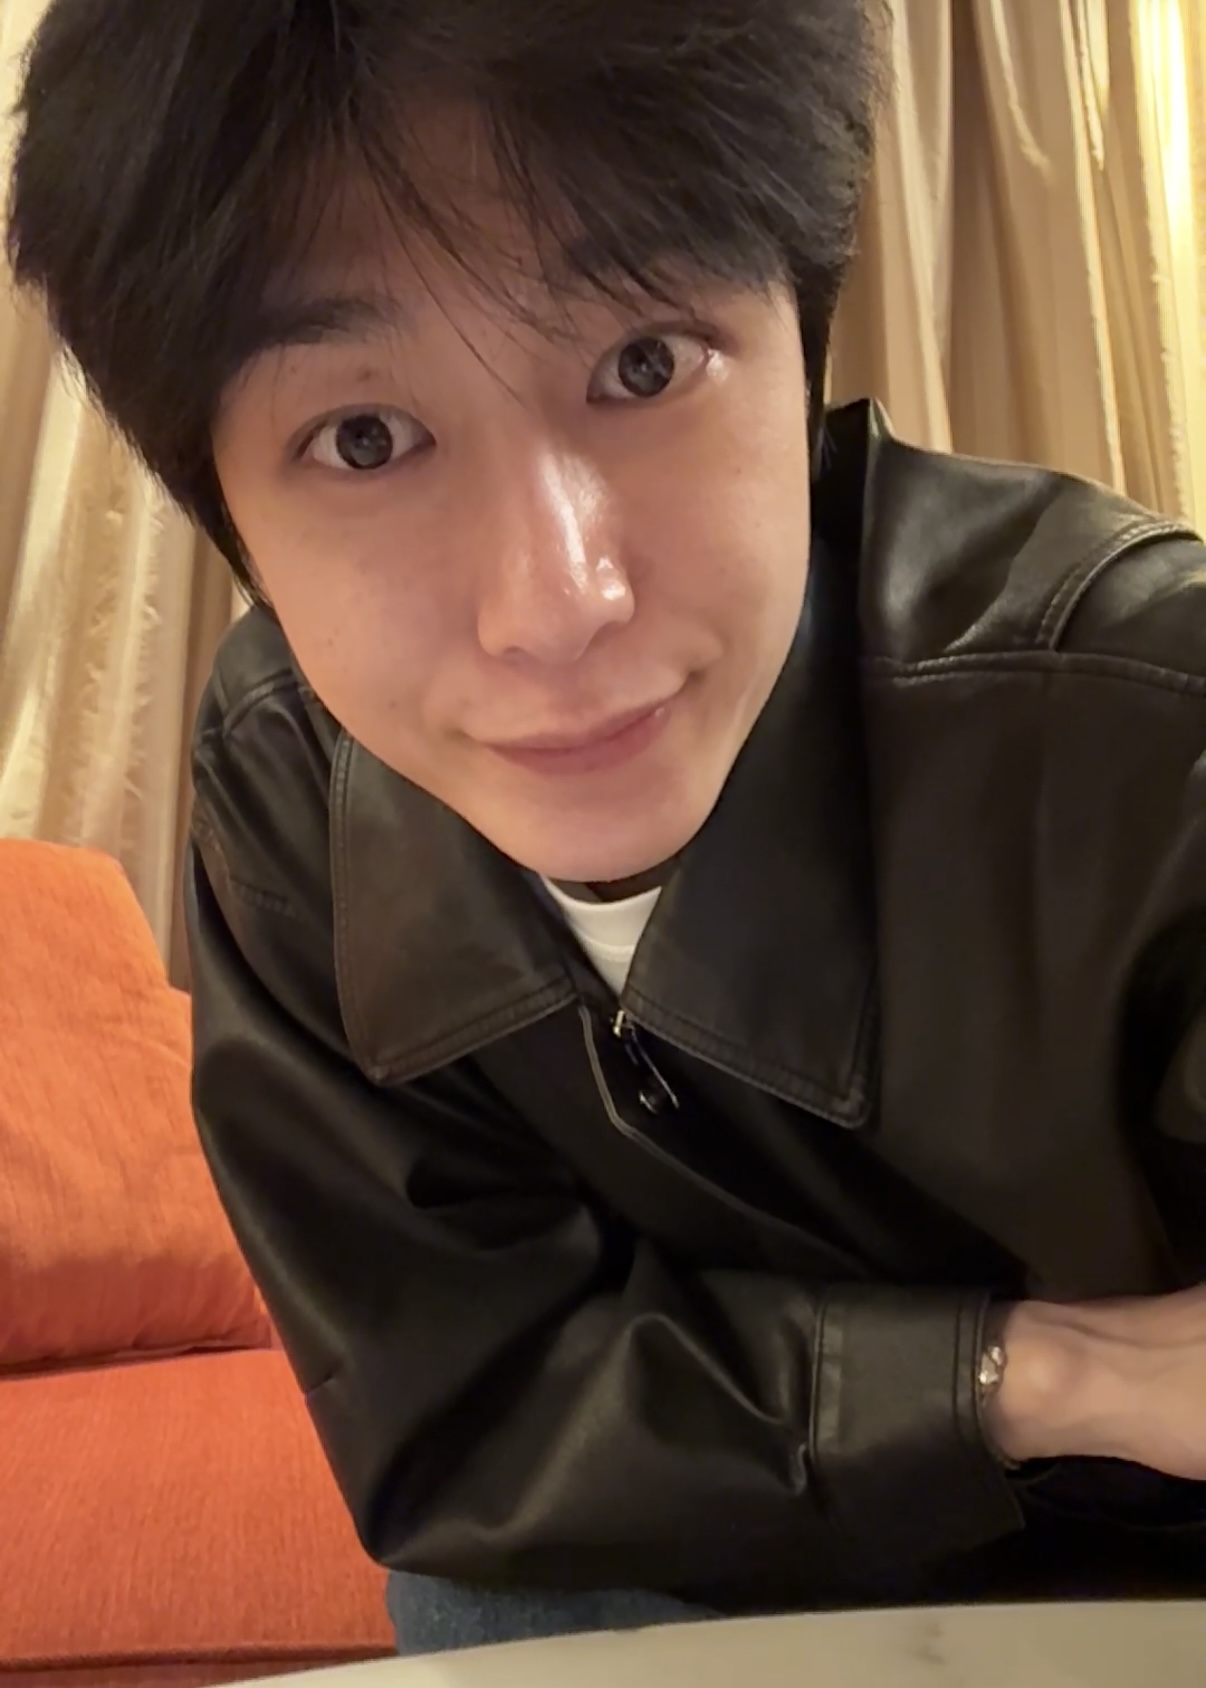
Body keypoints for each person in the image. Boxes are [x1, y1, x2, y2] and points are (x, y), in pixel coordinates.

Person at [9, 0, 1206, 1658]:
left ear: (801, 351)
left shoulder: (1144, 715)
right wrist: (1027, 1371)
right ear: (233, 522)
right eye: (364, 436)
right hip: (693, 1543)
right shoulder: (291, 787)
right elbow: (464, 1426)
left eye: (643, 363)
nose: (554, 603)